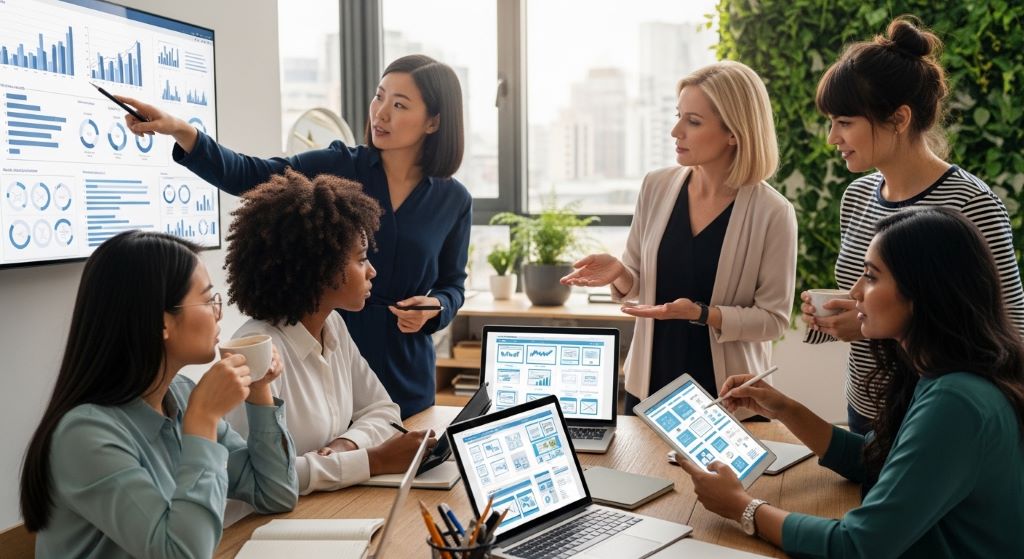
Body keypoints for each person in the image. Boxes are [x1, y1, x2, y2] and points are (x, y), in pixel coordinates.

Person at [118, 54, 471, 417]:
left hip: (408, 371)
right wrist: (182, 130)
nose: (380, 113)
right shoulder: (339, 165)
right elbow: (251, 175)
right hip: (331, 361)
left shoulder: (454, 200)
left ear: (434, 122)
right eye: (379, 97)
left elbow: (453, 285)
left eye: (399, 105)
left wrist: (438, 308)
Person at [677, 207, 1024, 558]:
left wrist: (742, 507)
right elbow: (873, 459)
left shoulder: (956, 401)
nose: (856, 291)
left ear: (923, 291)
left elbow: (858, 545)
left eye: (871, 277)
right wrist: (783, 408)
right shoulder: (941, 374)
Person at [801, 16, 1024, 434]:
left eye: (845, 122)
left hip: (938, 419)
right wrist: (828, 322)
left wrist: (868, 328)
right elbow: (867, 303)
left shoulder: (971, 203)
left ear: (899, 119)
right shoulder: (857, 197)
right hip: (865, 408)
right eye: (831, 122)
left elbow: (1009, 333)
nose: (832, 138)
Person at [20, 231, 298, 559]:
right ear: (161, 322)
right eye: (209, 300)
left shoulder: (180, 395)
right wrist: (203, 421)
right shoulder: (85, 435)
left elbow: (276, 492)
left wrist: (258, 388)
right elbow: (181, 554)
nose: (219, 312)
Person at [561, 61, 797, 407]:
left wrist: (702, 314)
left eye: (694, 121)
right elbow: (640, 289)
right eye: (678, 116)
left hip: (728, 399)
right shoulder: (656, 186)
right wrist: (622, 275)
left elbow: (773, 320)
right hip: (649, 389)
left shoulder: (773, 212)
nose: (676, 132)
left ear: (735, 132)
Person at [223, 170, 435, 494]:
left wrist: (346, 446)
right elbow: (257, 478)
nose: (372, 271)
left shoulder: (332, 325)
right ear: (320, 268)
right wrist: (373, 461)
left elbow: (382, 410)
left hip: (314, 510)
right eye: (362, 259)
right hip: (252, 527)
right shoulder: (252, 351)